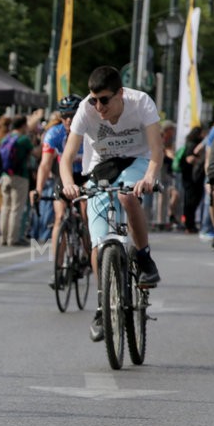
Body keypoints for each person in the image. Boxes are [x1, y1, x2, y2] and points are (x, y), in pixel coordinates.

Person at [60, 66, 162, 343]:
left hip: (136, 161)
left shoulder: (141, 103)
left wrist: (150, 177)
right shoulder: (86, 109)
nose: (98, 106)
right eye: (94, 100)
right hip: (101, 168)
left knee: (126, 196)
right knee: (98, 243)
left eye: (104, 99)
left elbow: (156, 149)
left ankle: (143, 257)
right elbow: (67, 156)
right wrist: (70, 183)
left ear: (120, 93)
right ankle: (103, 304)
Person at [30, 95, 89, 286]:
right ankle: (58, 267)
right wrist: (38, 190)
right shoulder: (54, 134)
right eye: (65, 116)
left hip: (86, 176)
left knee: (87, 213)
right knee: (59, 217)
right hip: (64, 177)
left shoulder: (89, 132)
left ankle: (86, 254)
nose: (69, 120)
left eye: (73, 115)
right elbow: (45, 165)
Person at [0, 114, 38, 246]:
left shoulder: (6, 138)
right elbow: (35, 154)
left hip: (5, 176)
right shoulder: (23, 139)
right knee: (16, 208)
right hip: (20, 176)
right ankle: (12, 238)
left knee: (5, 207)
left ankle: (3, 237)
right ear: (22, 125)